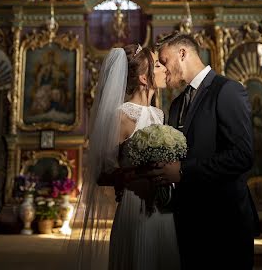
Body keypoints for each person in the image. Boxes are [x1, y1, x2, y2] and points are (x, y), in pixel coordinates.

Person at [151, 32, 258, 269]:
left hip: (224, 221)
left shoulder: (227, 90)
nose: (163, 69)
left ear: (182, 53)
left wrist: (183, 171)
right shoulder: (178, 103)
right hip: (188, 222)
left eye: (164, 61)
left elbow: (242, 156)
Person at [68, 44, 180, 270]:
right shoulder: (121, 116)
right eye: (158, 65)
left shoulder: (160, 114)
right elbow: (101, 174)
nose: (165, 69)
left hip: (163, 207)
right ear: (142, 78)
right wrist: (137, 173)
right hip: (135, 205)